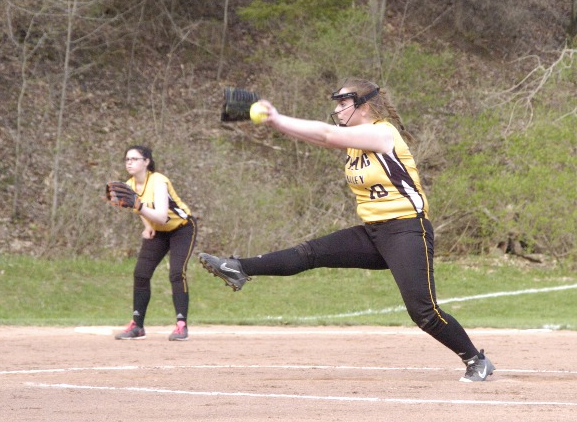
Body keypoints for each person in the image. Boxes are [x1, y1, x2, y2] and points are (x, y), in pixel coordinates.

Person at [198, 78, 495, 382]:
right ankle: (237, 268)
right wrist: (277, 125)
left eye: (343, 103)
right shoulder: (356, 140)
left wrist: (275, 117)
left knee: (424, 312)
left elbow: (326, 134)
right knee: (310, 253)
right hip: (374, 233)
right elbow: (321, 138)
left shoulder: (382, 133)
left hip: (407, 229)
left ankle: (476, 360)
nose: (337, 110)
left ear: (364, 107)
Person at [110, 145, 198, 341]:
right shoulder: (129, 185)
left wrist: (142, 209)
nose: (129, 162)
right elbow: (141, 211)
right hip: (158, 230)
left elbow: (160, 216)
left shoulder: (158, 181)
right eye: (127, 159)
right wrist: (147, 224)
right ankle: (137, 326)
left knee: (176, 273)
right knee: (141, 273)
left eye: (134, 159)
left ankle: (181, 325)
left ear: (146, 162)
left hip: (182, 228)